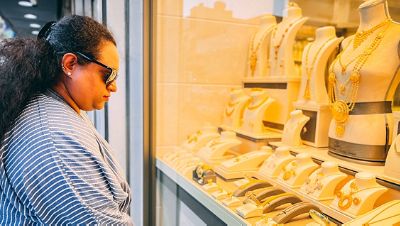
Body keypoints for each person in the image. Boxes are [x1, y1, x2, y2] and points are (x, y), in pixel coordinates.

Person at [0, 15, 133, 225]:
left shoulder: (52, 107)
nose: (113, 86)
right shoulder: (55, 143)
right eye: (107, 75)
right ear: (70, 63)